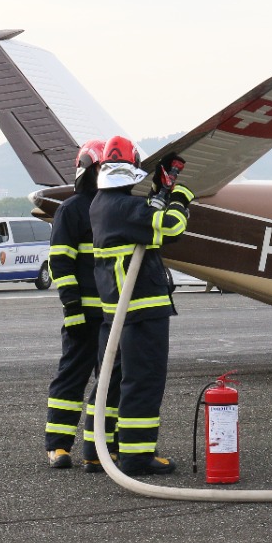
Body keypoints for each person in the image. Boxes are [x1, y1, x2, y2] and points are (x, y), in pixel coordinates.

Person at [89, 136, 193, 476]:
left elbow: (147, 227)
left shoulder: (103, 205)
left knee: (115, 380)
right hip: (142, 309)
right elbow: (173, 227)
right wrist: (179, 196)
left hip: (118, 311)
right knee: (143, 381)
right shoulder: (125, 208)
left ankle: (97, 450)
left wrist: (158, 194)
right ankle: (137, 456)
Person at [43, 140, 122, 470]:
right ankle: (58, 446)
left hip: (112, 317)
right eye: (100, 169)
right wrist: (72, 308)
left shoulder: (118, 207)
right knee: (71, 379)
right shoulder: (72, 209)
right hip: (83, 316)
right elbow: (59, 263)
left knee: (110, 383)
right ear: (88, 171)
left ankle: (98, 450)